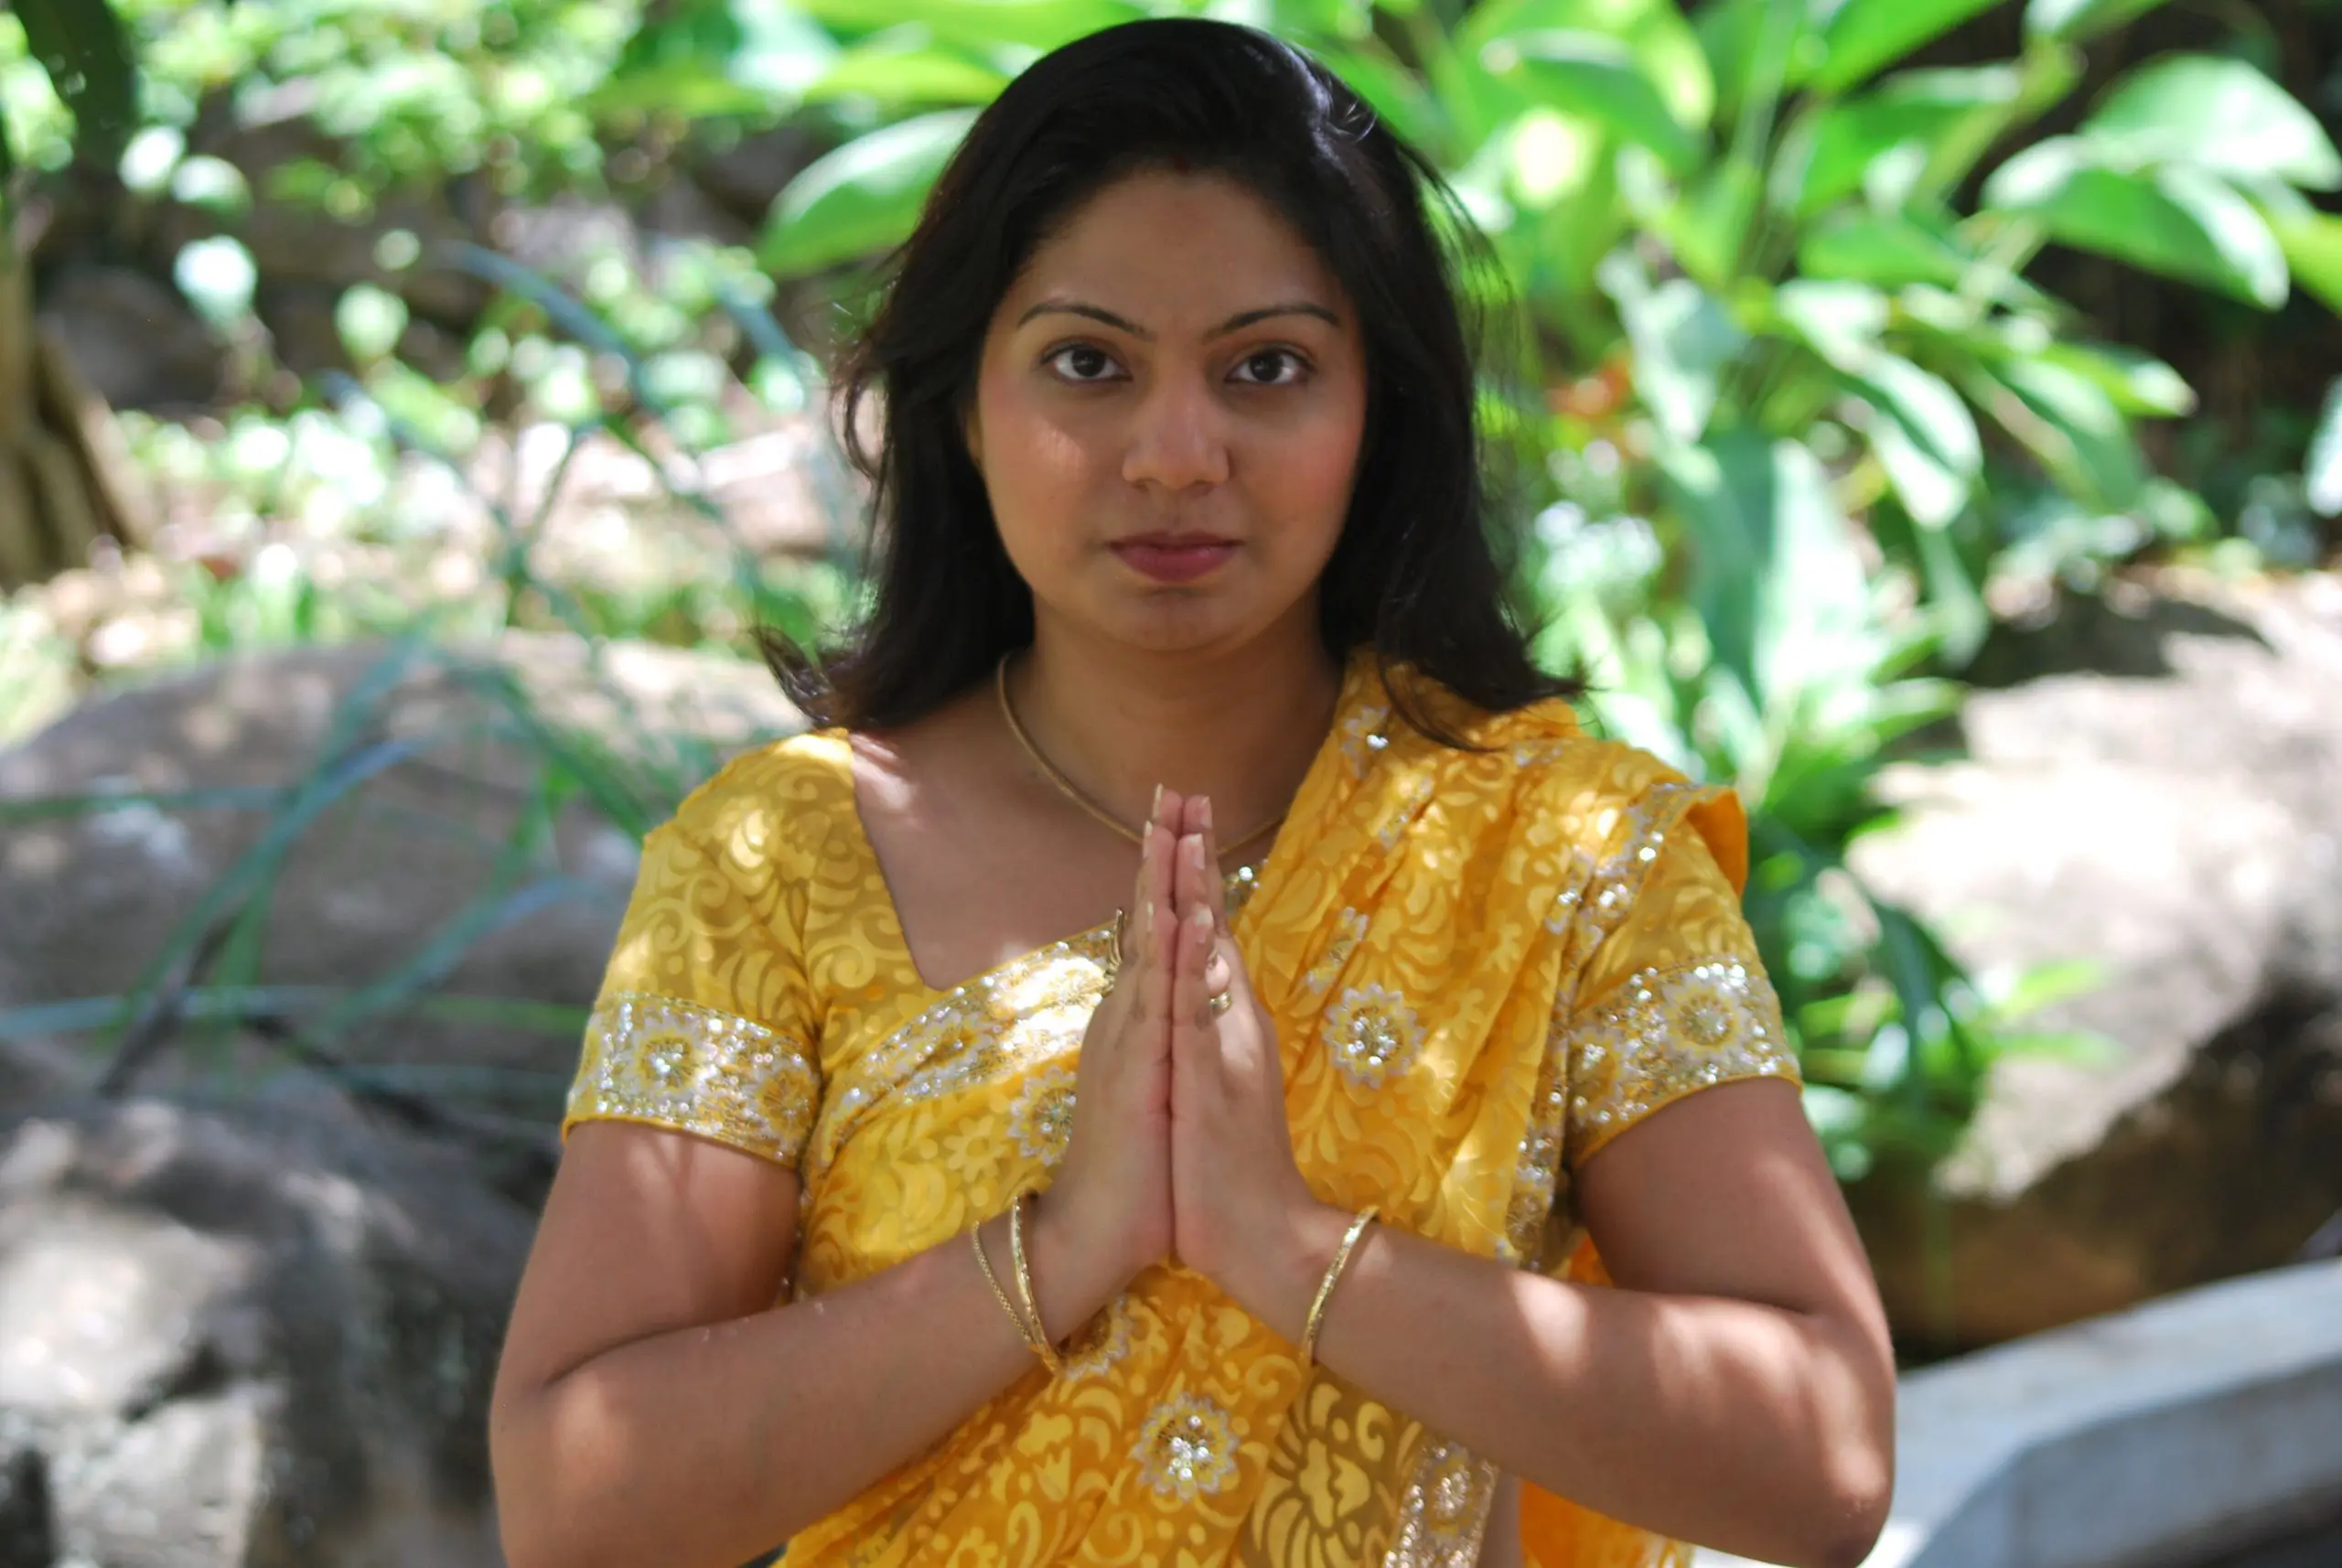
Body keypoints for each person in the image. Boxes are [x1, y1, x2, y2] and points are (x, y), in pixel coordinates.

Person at [487, 17, 1896, 1568]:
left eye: (1267, 368)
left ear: (1379, 412)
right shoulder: (775, 861)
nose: (1175, 453)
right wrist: (1057, 1247)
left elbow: (1822, 1459)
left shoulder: (1565, 853)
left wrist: (1292, 1250)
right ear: (961, 403)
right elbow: (573, 1502)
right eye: (1087, 363)